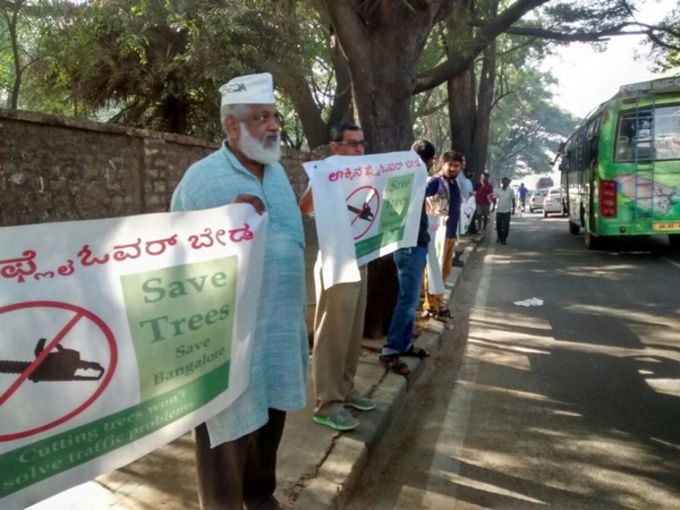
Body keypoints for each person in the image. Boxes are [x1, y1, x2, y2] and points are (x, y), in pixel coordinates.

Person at [171, 73, 307, 510]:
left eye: (274, 116)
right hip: (227, 340)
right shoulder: (201, 180)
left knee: (271, 420)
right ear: (232, 126)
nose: (273, 126)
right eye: (260, 117)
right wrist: (220, 223)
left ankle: (260, 494)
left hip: (280, 329)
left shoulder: (278, 174)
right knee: (223, 433)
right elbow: (172, 252)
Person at [298, 123, 376, 432]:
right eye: (352, 144)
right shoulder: (326, 173)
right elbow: (303, 208)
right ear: (335, 147)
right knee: (331, 334)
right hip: (335, 262)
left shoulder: (367, 173)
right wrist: (322, 184)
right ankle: (328, 404)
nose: (358, 149)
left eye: (361, 143)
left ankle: (346, 389)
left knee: (353, 331)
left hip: (362, 258)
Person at [380, 140, 439, 376]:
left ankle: (403, 344)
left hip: (414, 245)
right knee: (407, 301)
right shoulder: (410, 180)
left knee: (411, 300)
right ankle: (390, 349)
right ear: (430, 160)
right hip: (409, 247)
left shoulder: (409, 178)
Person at [422, 151, 463, 320]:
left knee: (444, 271)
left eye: (456, 165)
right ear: (442, 164)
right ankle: (430, 306)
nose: (453, 169)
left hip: (450, 233)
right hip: (437, 234)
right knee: (433, 271)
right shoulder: (435, 182)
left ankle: (438, 304)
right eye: (450, 165)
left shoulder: (454, 183)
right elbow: (419, 198)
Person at [495, 177, 515, 245]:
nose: (505, 183)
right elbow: (495, 198)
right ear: (502, 182)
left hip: (507, 210)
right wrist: (492, 207)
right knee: (498, 225)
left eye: (507, 182)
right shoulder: (497, 190)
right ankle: (499, 237)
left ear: (508, 183)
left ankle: (504, 238)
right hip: (499, 210)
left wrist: (513, 209)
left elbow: (513, 199)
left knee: (506, 225)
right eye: (504, 182)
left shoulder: (511, 191)